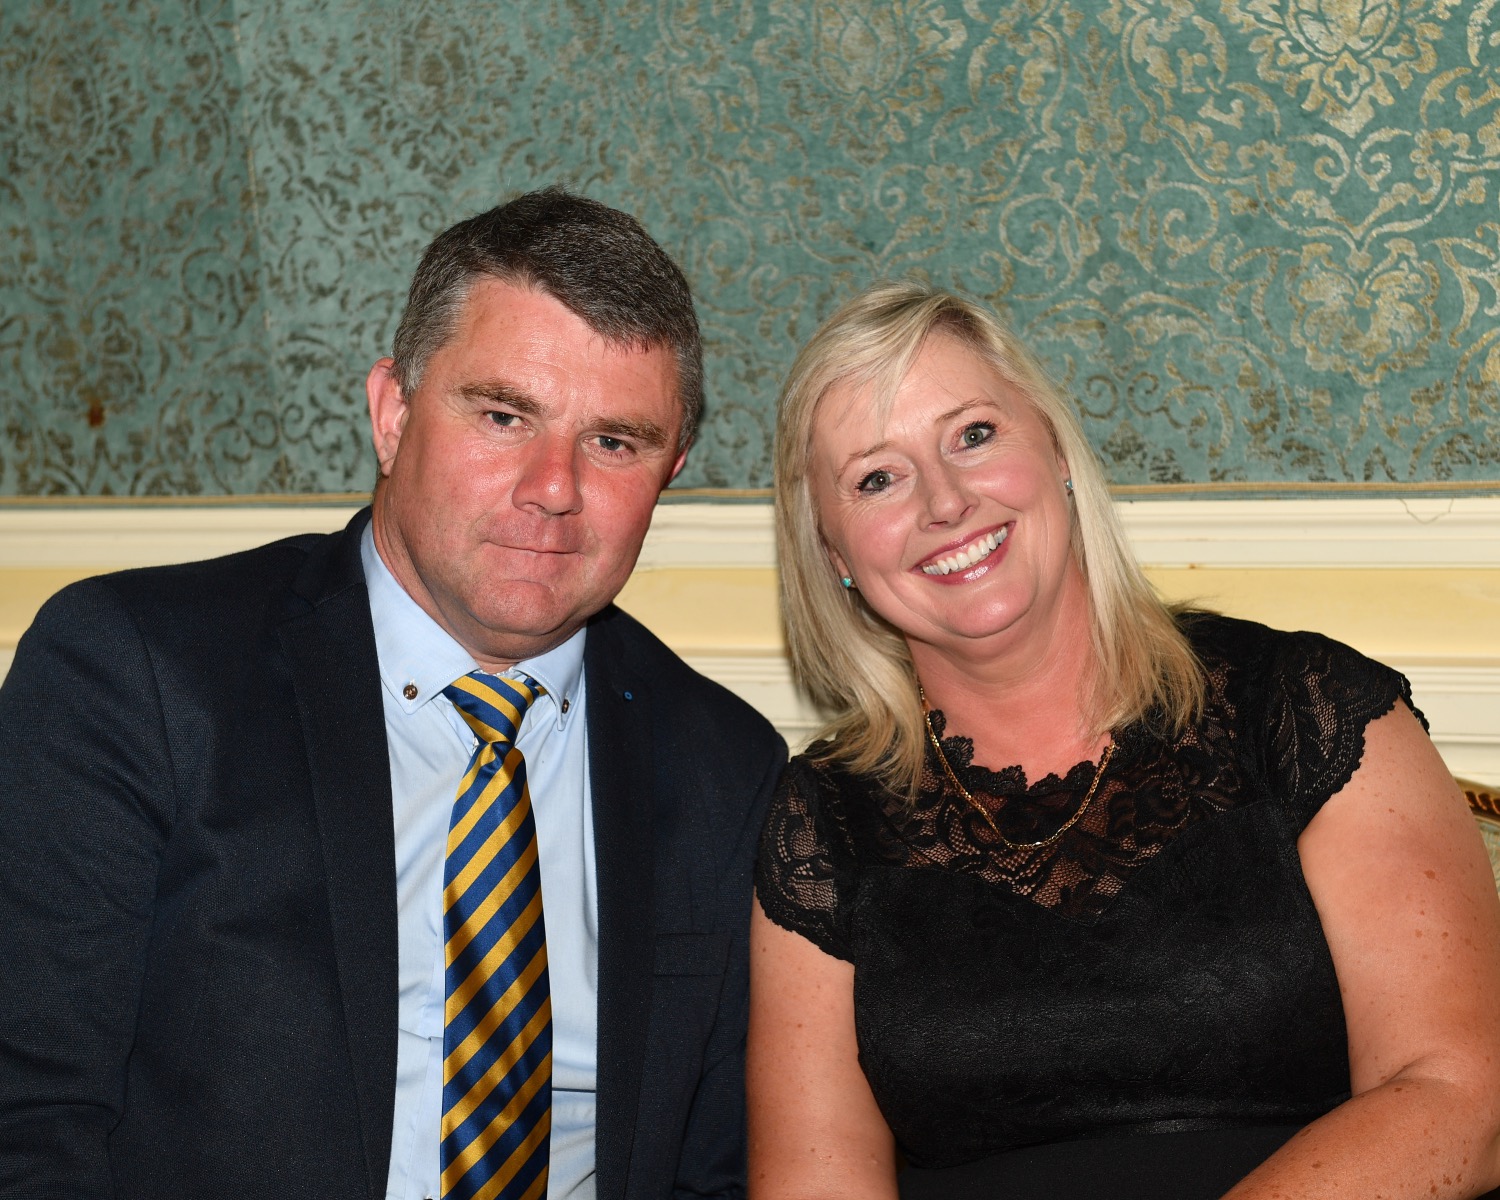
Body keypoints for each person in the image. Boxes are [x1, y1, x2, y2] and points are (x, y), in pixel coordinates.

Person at [0, 188, 785, 1200]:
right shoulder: (139, 674)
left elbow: (716, 1173)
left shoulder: (725, 767)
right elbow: (28, 1115)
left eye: (614, 443)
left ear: (669, 471)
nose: (554, 487)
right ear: (392, 413)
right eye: (503, 416)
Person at [748, 279, 1500, 1200]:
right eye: (877, 478)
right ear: (834, 555)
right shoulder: (821, 819)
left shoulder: (1304, 709)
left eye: (973, 435)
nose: (944, 501)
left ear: (1058, 451)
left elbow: (1459, 1099)